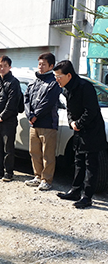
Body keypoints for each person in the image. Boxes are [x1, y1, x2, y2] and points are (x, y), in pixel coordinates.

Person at [53, 60, 107, 208]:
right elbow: (70, 110)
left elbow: (92, 110)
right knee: (78, 161)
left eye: (59, 76)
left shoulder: (85, 87)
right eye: (55, 76)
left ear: (69, 75)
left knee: (91, 164)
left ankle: (87, 196)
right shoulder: (66, 89)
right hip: (78, 130)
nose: (57, 79)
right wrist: (71, 122)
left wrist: (78, 123)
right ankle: (75, 191)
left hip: (92, 131)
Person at [24, 53, 61, 190]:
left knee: (48, 154)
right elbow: (26, 98)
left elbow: (48, 102)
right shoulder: (34, 81)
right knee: (34, 152)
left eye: (44, 64)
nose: (40, 66)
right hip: (34, 123)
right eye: (39, 63)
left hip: (48, 123)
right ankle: (37, 176)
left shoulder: (54, 82)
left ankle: (47, 179)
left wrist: (36, 115)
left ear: (51, 66)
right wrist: (29, 114)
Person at [0, 56, 21, 182]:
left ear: (10, 67)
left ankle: (9, 172)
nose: (2, 68)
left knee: (8, 148)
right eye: (0, 65)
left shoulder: (13, 82)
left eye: (5, 66)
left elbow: (12, 103)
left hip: (8, 121)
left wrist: (2, 117)